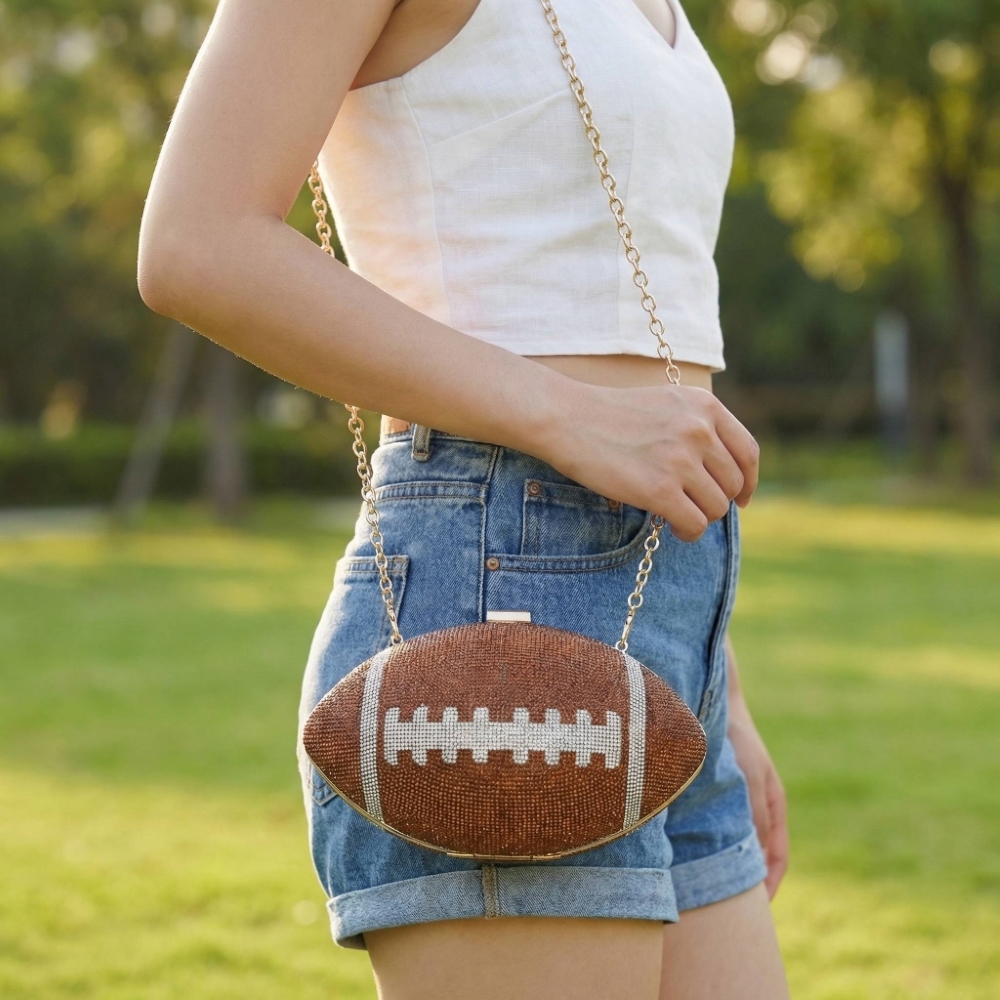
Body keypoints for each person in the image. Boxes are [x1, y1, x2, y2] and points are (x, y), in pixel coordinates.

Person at [137, 0, 790, 995]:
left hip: (662, 603)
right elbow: (195, 239)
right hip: (494, 595)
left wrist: (716, 681)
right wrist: (564, 414)